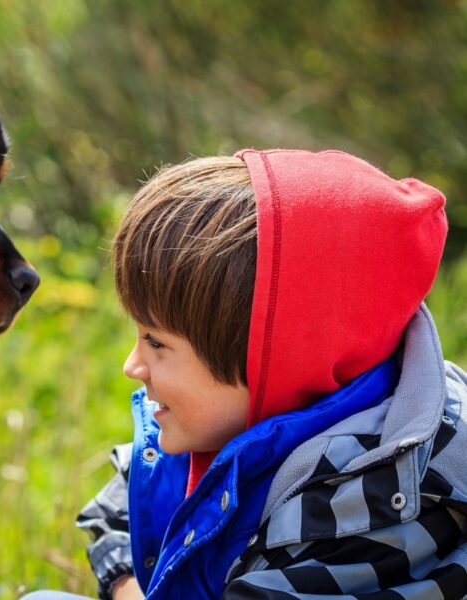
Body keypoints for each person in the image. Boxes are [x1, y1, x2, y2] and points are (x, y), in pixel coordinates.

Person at [24, 149, 467, 599]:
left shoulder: (374, 507)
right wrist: (129, 589)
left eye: (156, 343)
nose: (132, 366)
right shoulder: (228, 425)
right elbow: (126, 509)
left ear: (275, 358)